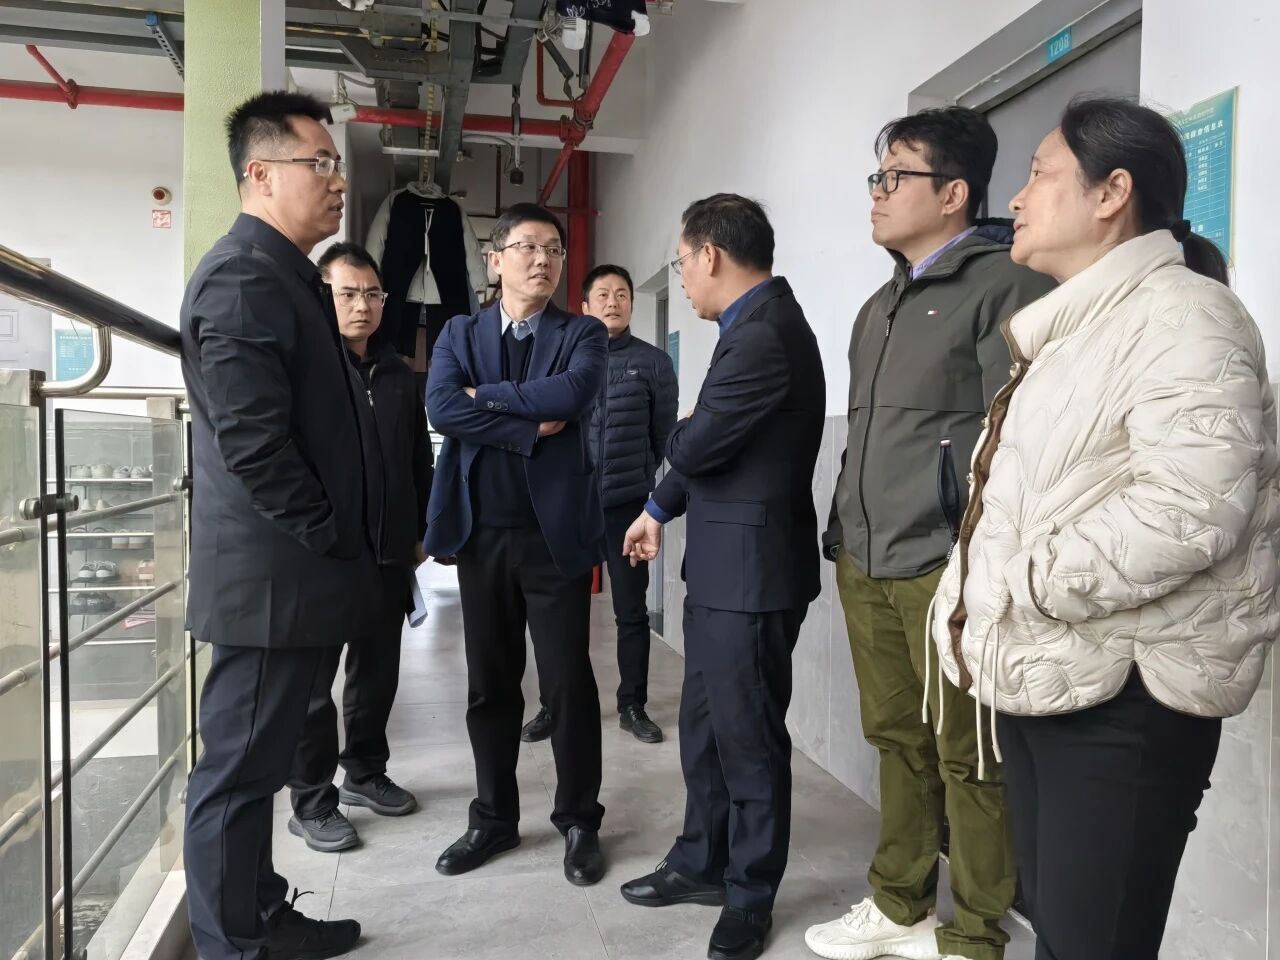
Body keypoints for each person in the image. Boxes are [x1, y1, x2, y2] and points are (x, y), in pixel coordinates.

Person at [928, 96, 1279, 960]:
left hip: (1126, 698)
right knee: (1062, 935)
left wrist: (1020, 581)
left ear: (1111, 192)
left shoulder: (1189, 316)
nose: (1017, 198)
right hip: (1054, 671)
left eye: (1040, 174)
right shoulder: (1075, 329)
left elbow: (1191, 507)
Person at [807, 107, 1054, 960]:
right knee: (896, 740)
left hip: (945, 568)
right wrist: (842, 531)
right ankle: (899, 901)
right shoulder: (877, 306)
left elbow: (1015, 441)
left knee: (969, 754)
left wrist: (979, 562)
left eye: (894, 177)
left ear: (953, 194)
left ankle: (976, 934)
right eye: (876, 178)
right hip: (868, 561)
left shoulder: (1005, 286)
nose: (877, 194)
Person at [181, 91, 372, 960]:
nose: (337, 182)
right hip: (270, 581)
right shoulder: (241, 279)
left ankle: (260, 917)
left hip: (291, 576)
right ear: (260, 174)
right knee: (235, 775)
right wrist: (330, 532)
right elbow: (253, 445)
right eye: (319, 164)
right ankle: (232, 946)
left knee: (257, 768)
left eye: (336, 165)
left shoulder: (283, 275)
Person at [620, 194, 825, 960]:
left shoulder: (766, 334)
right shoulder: (746, 327)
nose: (684, 278)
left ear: (710, 255)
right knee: (705, 730)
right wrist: (656, 507)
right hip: (721, 573)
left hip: (753, 578)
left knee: (748, 740)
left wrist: (675, 434)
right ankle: (699, 860)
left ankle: (749, 895)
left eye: (682, 263)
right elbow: (708, 449)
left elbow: (697, 443)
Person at [424, 202, 609, 887]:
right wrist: (527, 426)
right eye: (528, 246)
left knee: (568, 684)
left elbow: (574, 393)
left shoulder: (582, 331)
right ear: (495, 258)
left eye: (554, 249)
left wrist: (486, 398)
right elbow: (442, 407)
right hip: (482, 536)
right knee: (490, 685)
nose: (543, 260)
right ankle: (494, 818)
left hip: (553, 537)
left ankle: (580, 819)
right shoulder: (458, 331)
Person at [286, 242, 434, 852]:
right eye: (347, 293)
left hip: (388, 552)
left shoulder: (397, 372)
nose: (362, 306)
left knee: (376, 674)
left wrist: (420, 530)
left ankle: (366, 773)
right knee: (312, 687)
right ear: (322, 297)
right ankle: (311, 801)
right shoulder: (308, 368)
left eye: (372, 294)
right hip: (325, 553)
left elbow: (419, 457)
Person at [520, 264, 677, 746]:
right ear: (585, 306)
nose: (614, 302)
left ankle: (633, 705)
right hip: (568, 505)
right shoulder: (562, 357)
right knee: (558, 613)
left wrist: (638, 477)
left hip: (626, 508)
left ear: (631, 304)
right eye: (603, 295)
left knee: (631, 611)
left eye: (622, 294)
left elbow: (663, 435)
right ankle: (554, 705)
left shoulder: (653, 362)